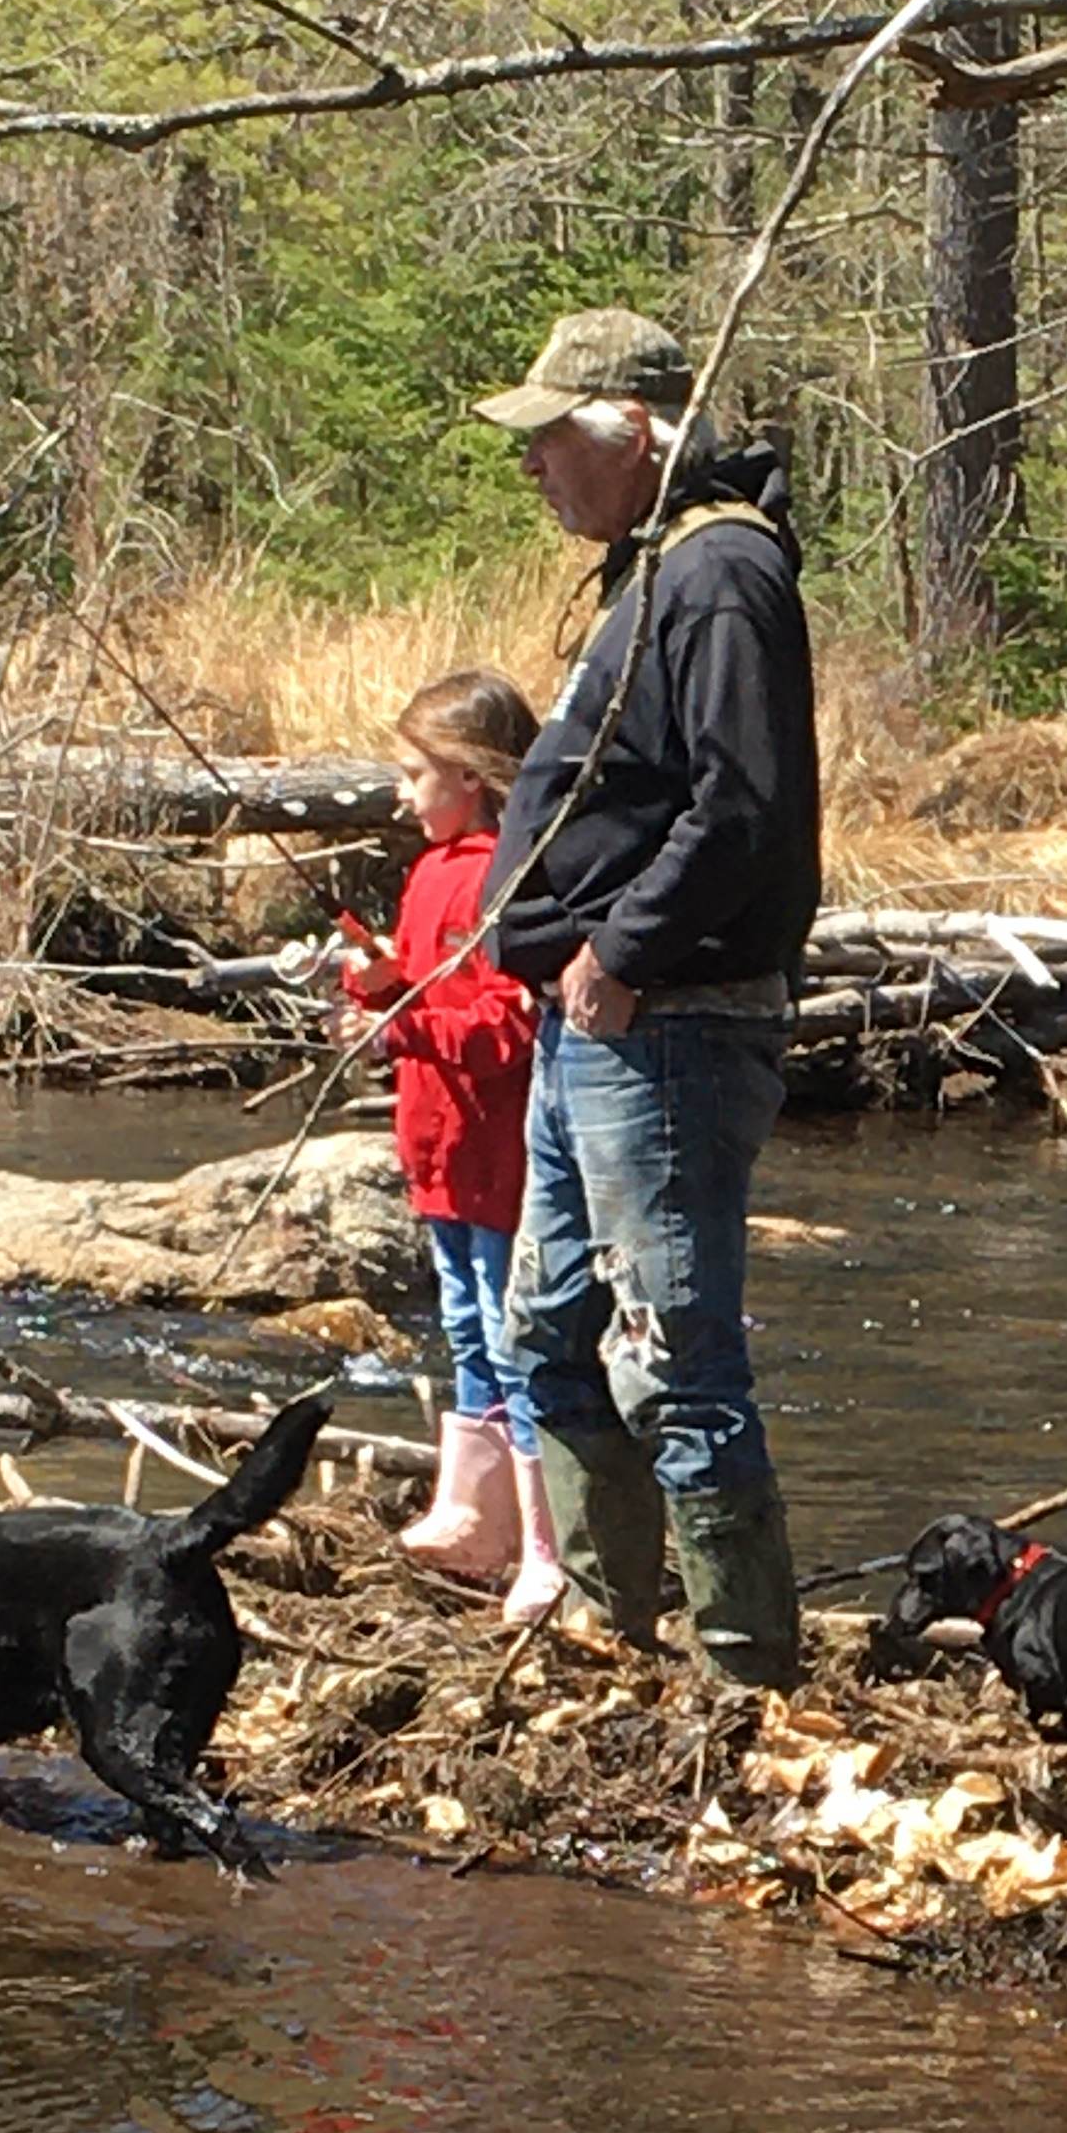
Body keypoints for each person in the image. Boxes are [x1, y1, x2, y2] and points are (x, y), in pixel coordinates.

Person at [470, 306, 819, 1686]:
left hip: (664, 1023)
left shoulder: (724, 574)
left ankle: (746, 1669)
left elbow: (749, 811)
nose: (533, 469)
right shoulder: (658, 569)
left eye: (550, 440)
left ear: (638, 433)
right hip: (598, 1026)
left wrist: (619, 954)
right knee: (548, 1331)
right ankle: (613, 1638)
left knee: (673, 1359)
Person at [340, 667, 566, 1627]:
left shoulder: (499, 875)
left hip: (496, 1162)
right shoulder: (429, 869)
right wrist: (375, 981)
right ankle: (473, 1514)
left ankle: (545, 1544)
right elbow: (425, 993)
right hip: (434, 1153)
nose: (399, 792)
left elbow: (501, 1032)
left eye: (413, 772)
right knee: (468, 1330)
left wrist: (404, 1023)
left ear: (470, 777)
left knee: (515, 1343)